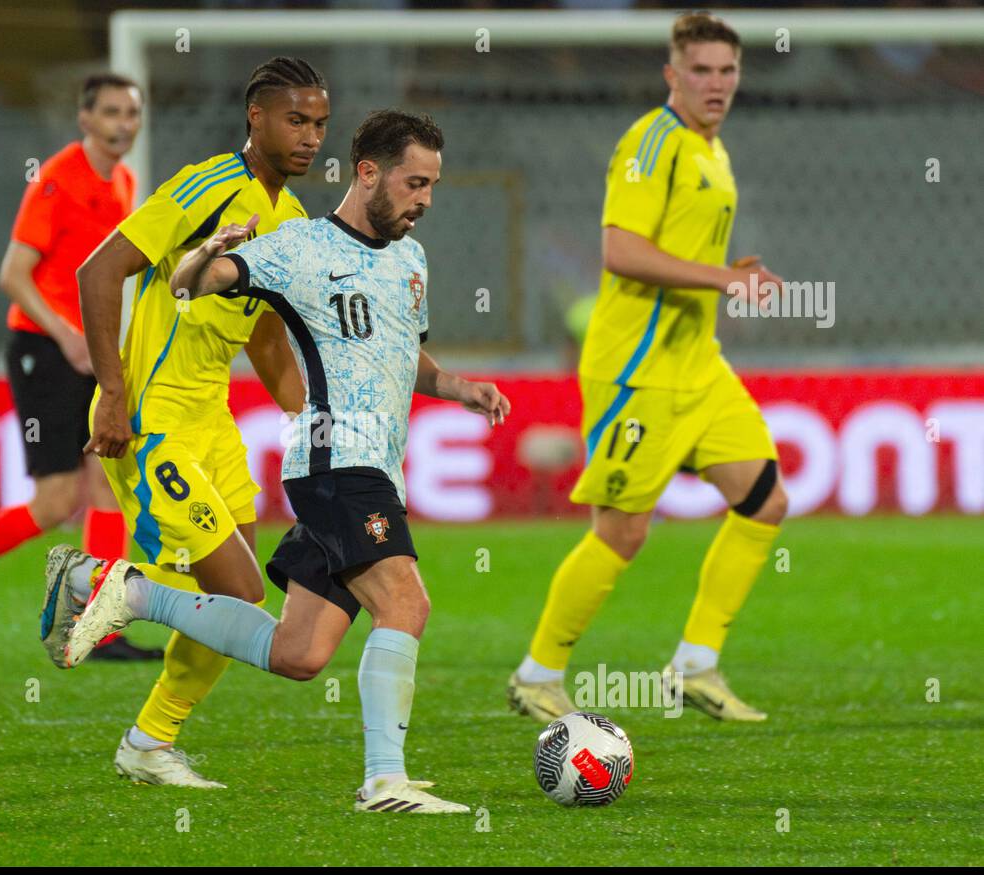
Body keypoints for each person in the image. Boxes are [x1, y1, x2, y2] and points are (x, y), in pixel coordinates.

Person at [48, 110, 511, 814]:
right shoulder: (299, 246)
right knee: (406, 603)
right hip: (336, 461)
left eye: (432, 186)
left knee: (299, 654)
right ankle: (385, 782)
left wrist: (455, 386)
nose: (425, 200)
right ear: (368, 173)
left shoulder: (412, 261)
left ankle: (133, 595)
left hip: (376, 467)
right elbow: (192, 285)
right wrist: (208, 253)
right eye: (415, 183)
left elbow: (397, 351)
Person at [39, 57, 327, 788]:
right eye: (296, 120)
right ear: (255, 118)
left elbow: (263, 337)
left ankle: (148, 742)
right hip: (155, 417)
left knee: (228, 600)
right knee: (237, 593)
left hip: (215, 424)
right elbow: (98, 271)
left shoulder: (290, 221)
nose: (310, 136)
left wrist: (317, 413)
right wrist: (110, 390)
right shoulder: (205, 186)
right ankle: (96, 583)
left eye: (320, 123)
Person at [507, 12, 788, 723]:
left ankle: (695, 665)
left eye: (728, 71)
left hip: (699, 365)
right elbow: (621, 252)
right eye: (701, 70)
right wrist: (721, 280)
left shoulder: (711, 150)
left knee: (764, 502)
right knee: (623, 533)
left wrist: (724, 272)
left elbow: (681, 252)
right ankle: (537, 674)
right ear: (673, 75)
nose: (716, 83)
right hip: (639, 368)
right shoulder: (651, 141)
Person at [0, 74, 158, 662]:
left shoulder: (123, 181)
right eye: (111, 112)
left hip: (88, 349)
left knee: (106, 479)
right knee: (54, 502)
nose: (124, 123)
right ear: (85, 118)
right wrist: (67, 335)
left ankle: (97, 624)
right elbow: (13, 275)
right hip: (43, 350)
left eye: (132, 112)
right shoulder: (56, 180)